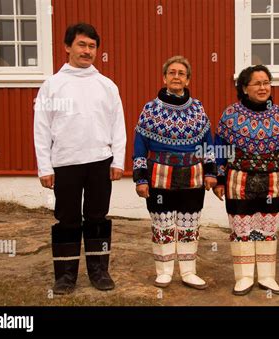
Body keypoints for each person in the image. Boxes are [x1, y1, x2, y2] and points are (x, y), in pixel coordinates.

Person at [34, 23, 126, 294]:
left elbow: (117, 125)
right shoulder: (52, 85)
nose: (87, 51)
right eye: (82, 45)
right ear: (67, 47)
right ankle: (65, 276)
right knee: (68, 220)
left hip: (100, 161)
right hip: (65, 162)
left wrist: (118, 160)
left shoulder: (107, 86)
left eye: (92, 46)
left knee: (97, 217)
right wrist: (44, 166)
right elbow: (41, 128)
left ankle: (99, 271)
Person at [133, 56, 217, 290]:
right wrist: (140, 178)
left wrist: (211, 172)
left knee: (189, 224)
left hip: (193, 176)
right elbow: (140, 145)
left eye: (181, 73)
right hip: (159, 176)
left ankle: (189, 272)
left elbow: (207, 143)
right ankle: (164, 271)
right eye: (172, 72)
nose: (176, 76)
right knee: (163, 224)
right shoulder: (150, 109)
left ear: (188, 79)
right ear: (164, 78)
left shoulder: (198, 108)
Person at [214, 65, 279, 296]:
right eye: (257, 83)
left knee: (267, 229)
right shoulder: (230, 115)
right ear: (244, 88)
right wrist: (219, 179)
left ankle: (267, 276)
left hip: (273, 181)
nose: (263, 88)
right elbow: (219, 149)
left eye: (266, 83)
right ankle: (243, 277)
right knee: (242, 229)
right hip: (238, 181)